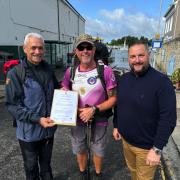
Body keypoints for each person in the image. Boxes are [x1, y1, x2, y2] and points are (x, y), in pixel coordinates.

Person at [113, 40, 177, 180]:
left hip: (147, 148)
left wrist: (157, 148)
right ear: (128, 58)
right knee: (133, 172)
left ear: (149, 55)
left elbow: (168, 118)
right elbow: (120, 105)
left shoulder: (162, 82)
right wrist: (116, 125)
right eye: (132, 56)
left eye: (141, 55)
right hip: (126, 142)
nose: (137, 60)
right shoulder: (124, 79)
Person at [61, 34, 117, 179]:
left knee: (98, 149)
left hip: (99, 117)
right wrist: (65, 95)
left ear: (93, 50)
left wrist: (93, 109)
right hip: (77, 118)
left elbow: (114, 98)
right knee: (79, 147)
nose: (85, 51)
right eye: (81, 47)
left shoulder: (105, 71)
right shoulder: (70, 71)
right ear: (76, 51)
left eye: (88, 47)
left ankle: (98, 174)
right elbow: (64, 87)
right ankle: (83, 173)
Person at [5, 32, 58, 180]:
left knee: (46, 166)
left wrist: (64, 93)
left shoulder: (48, 69)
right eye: (33, 48)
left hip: (48, 130)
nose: (37, 52)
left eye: (40, 48)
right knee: (31, 167)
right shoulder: (15, 73)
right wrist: (37, 119)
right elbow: (12, 106)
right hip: (28, 133)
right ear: (25, 48)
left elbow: (56, 89)